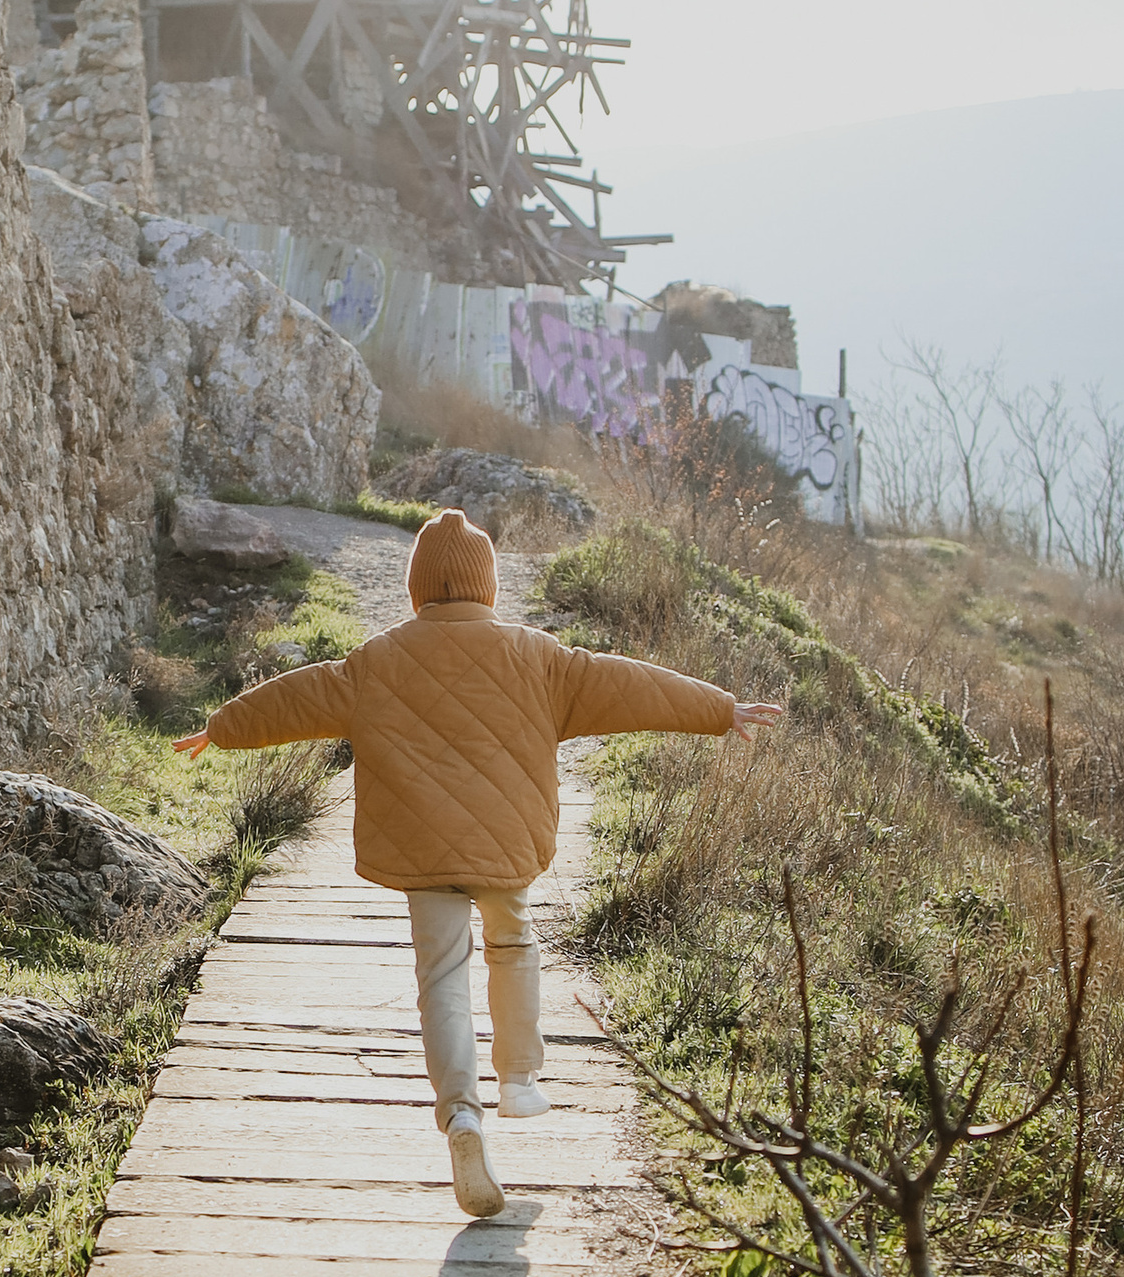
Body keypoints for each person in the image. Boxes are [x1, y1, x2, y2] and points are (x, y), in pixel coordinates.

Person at [178, 507, 784, 1215]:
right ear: (487, 586)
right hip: (505, 845)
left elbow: (294, 698)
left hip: (421, 847)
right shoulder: (541, 657)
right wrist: (719, 709)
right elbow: (629, 685)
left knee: (440, 976)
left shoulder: (374, 661)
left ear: (417, 591)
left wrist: (220, 728)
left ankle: (460, 1113)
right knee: (513, 941)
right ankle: (520, 1077)